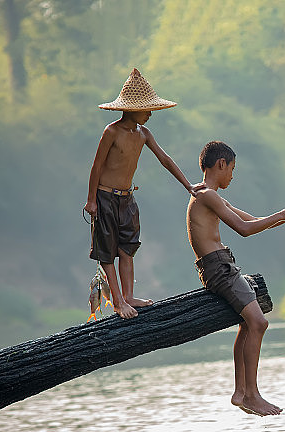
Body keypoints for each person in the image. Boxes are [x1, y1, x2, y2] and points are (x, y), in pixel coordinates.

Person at [187, 141, 285, 416]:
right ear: (221, 164)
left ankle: (241, 392)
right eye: (232, 168)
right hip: (219, 268)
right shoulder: (207, 195)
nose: (232, 174)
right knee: (259, 322)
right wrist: (283, 214)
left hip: (220, 267)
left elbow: (254, 220)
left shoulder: (212, 196)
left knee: (248, 323)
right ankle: (252, 395)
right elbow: (244, 229)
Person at [84, 68, 203, 319]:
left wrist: (189, 186)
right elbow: (96, 166)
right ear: (131, 108)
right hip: (105, 197)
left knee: (128, 249)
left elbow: (165, 159)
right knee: (107, 253)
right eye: (147, 109)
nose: (150, 114)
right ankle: (118, 302)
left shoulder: (143, 134)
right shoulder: (111, 132)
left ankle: (129, 297)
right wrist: (91, 199)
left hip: (127, 199)